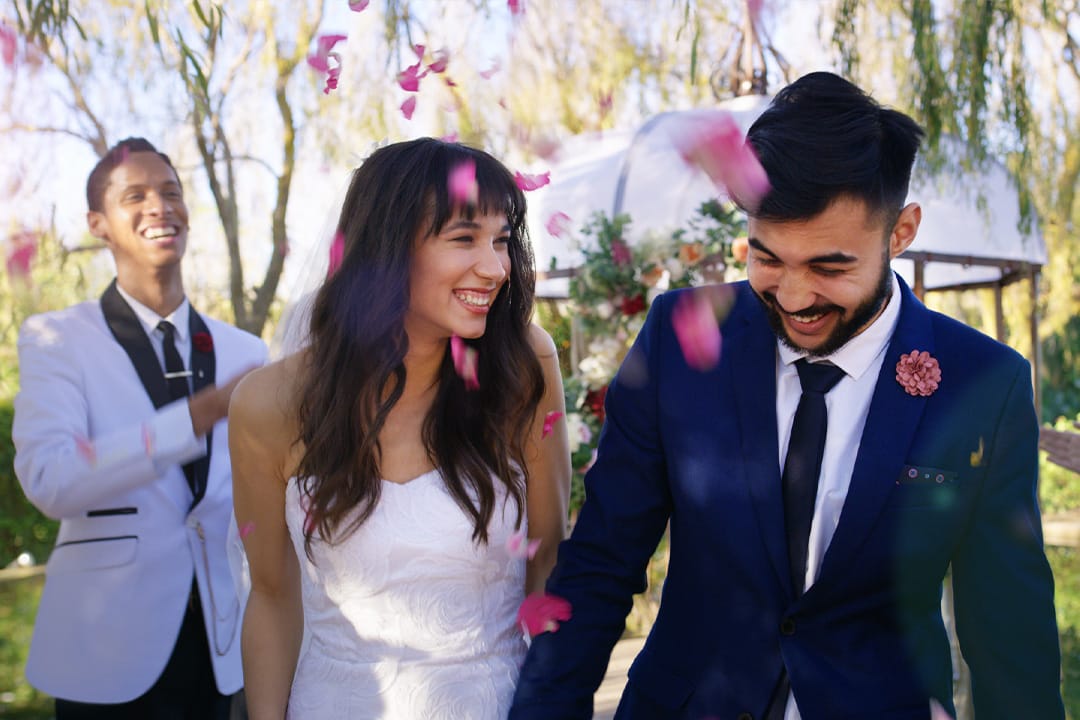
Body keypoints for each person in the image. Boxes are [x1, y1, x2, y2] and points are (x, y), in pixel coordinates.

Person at [509, 72, 1065, 720]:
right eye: (767, 258)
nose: (796, 298)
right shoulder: (677, 341)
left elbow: (1008, 634)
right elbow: (602, 562)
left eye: (830, 268)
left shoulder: (983, 383)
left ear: (901, 232)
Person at [229, 137, 571, 719]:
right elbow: (271, 593)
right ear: (386, 249)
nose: (494, 268)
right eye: (463, 238)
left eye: (502, 241)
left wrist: (555, 702)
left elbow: (548, 560)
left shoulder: (522, 366)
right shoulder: (269, 405)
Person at [13, 137, 268, 718]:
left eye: (171, 192)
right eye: (136, 195)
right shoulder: (55, 339)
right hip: (104, 650)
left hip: (220, 642)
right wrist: (200, 414)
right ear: (98, 223)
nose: (160, 206)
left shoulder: (245, 350)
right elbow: (50, 480)